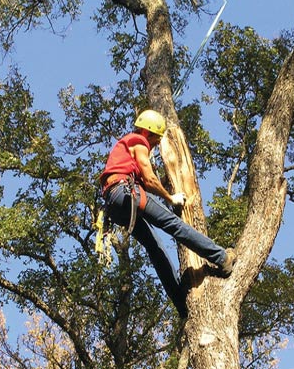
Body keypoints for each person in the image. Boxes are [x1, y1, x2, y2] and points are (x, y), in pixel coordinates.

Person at [100, 109, 235, 318]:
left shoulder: (124, 149)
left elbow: (148, 182)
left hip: (114, 204)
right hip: (126, 192)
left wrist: (161, 184)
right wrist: (171, 198)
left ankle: (182, 306)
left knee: (154, 247)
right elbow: (149, 179)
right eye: (155, 139)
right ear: (148, 133)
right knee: (174, 225)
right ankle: (222, 257)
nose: (154, 145)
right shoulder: (138, 140)